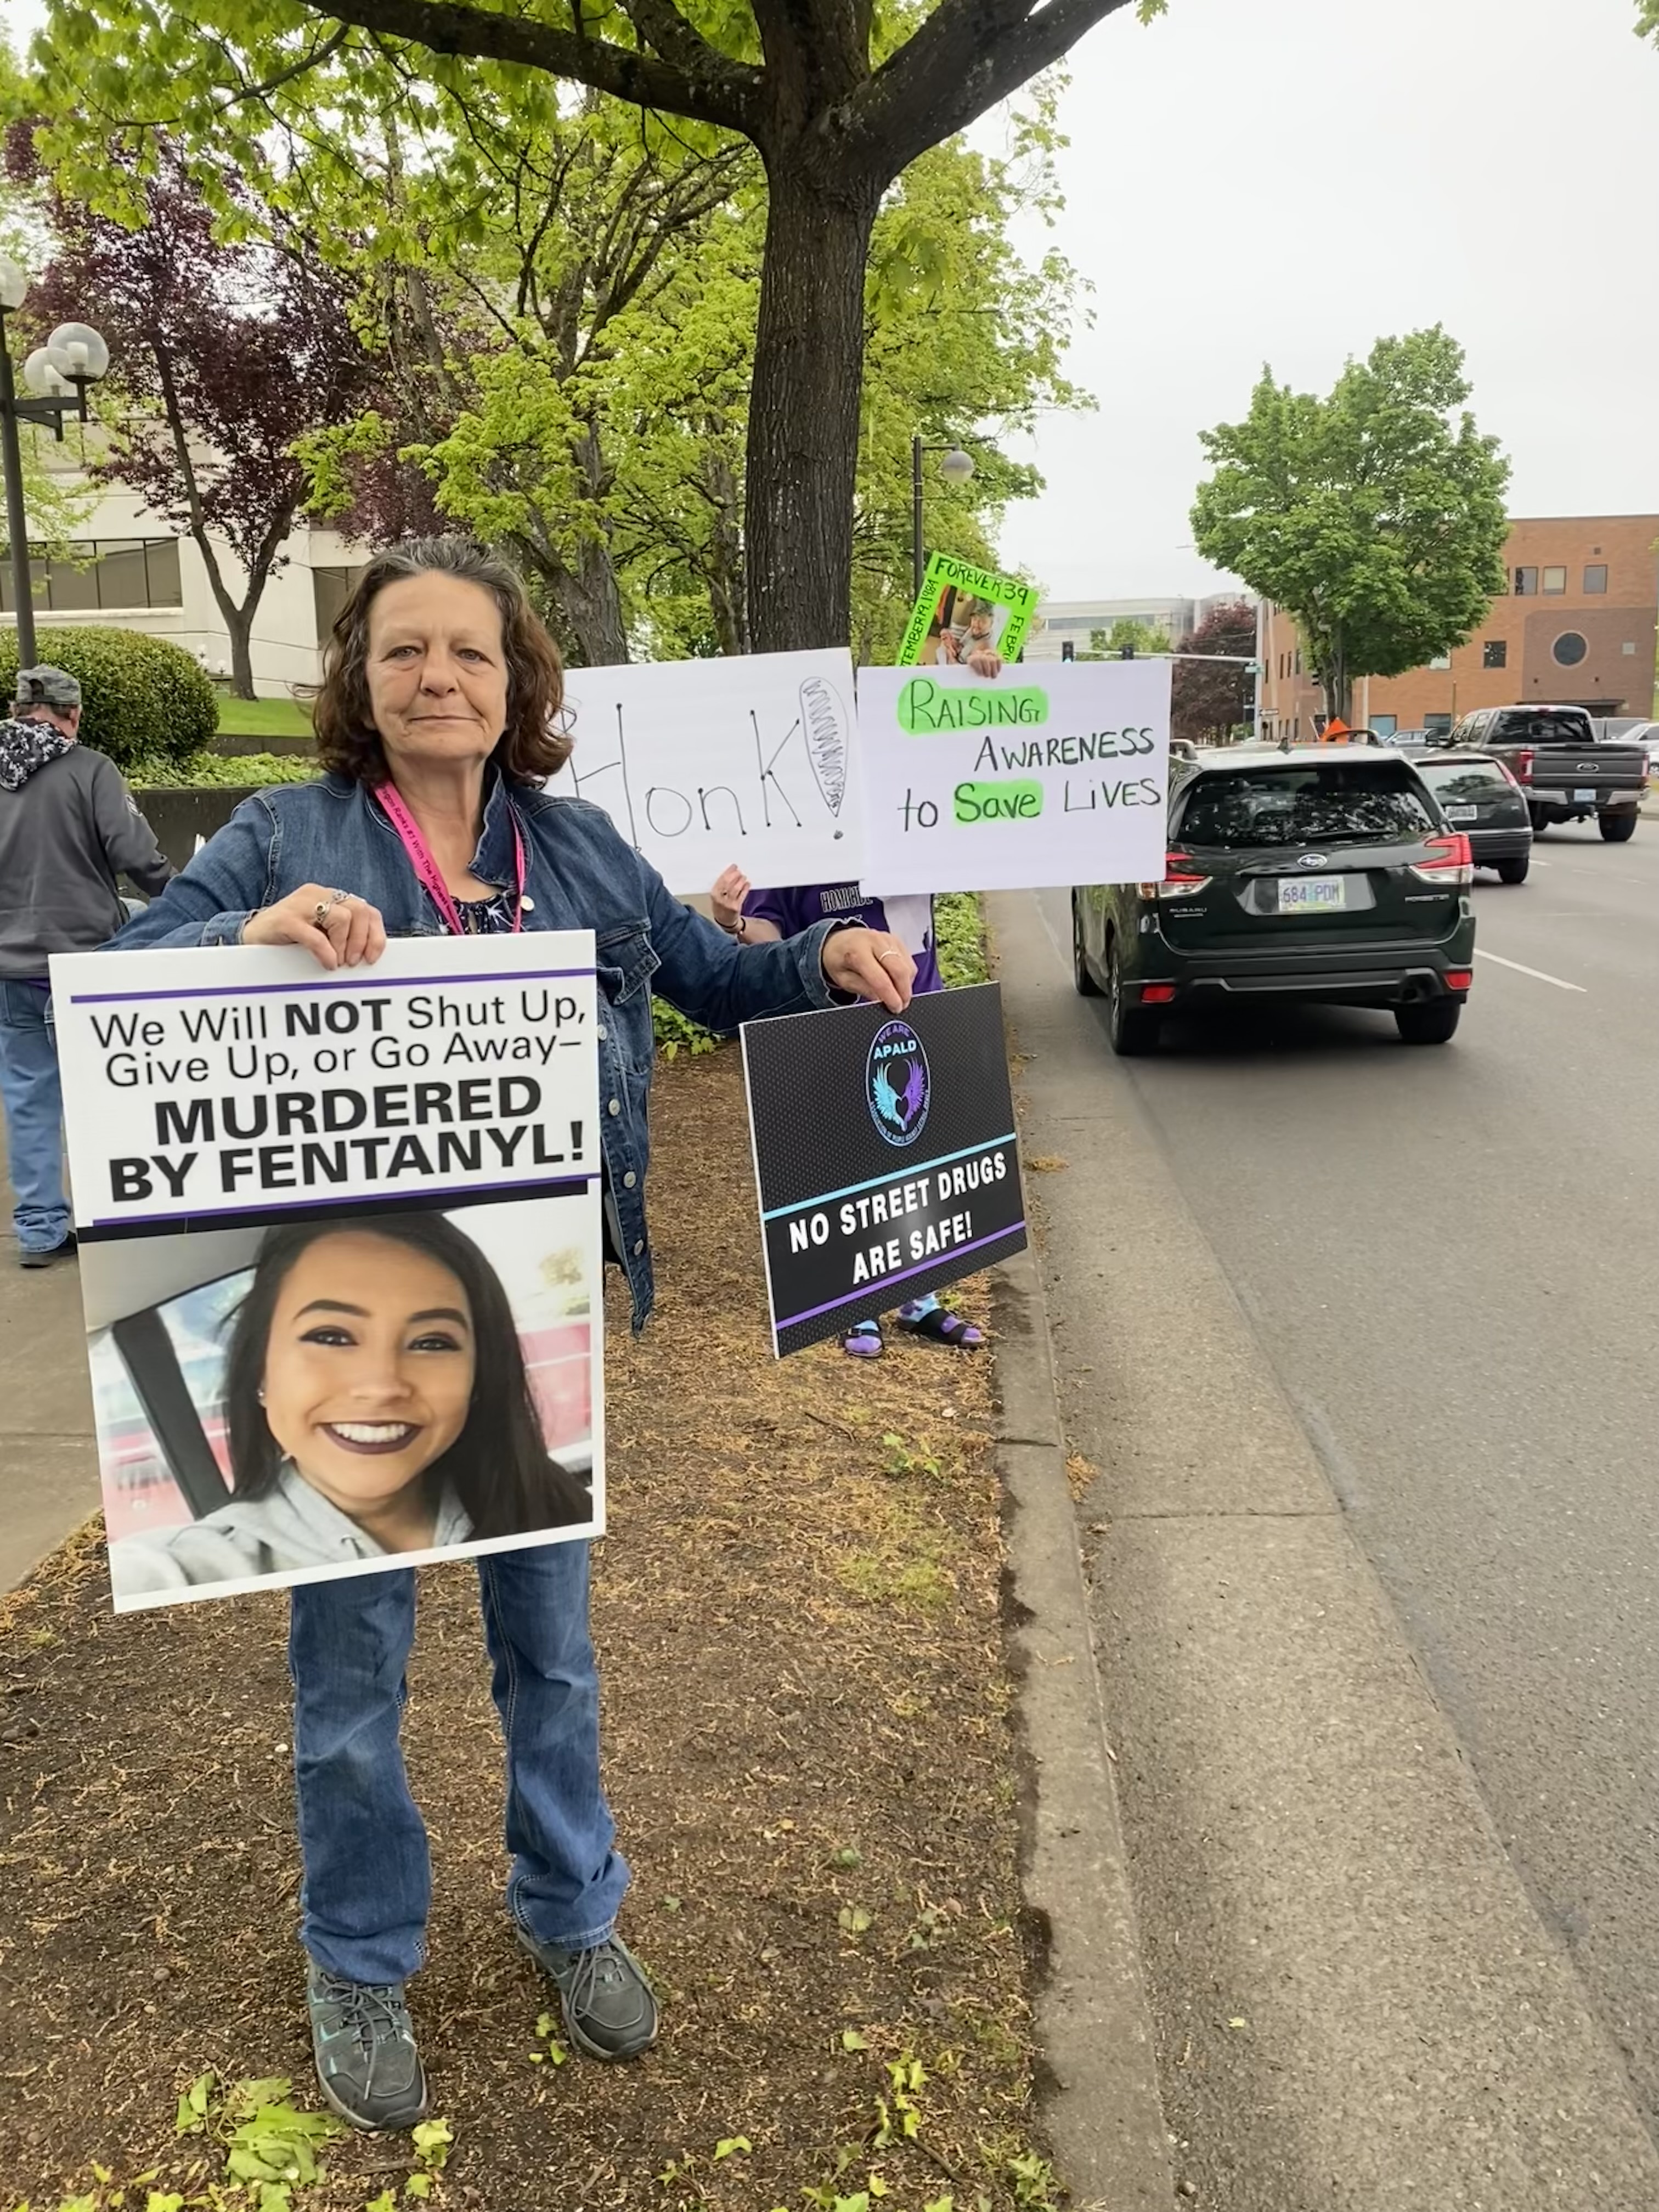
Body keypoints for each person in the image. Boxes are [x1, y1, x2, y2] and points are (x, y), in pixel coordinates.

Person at [106, 534, 916, 2134]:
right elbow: (126, 973)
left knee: (549, 1650)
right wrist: (257, 929)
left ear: (514, 682)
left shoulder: (583, 848)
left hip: (525, 1322)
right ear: (362, 678)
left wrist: (819, 957)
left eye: (467, 653)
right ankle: (356, 1956)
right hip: (340, 1336)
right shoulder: (287, 830)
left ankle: (573, 1915)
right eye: (403, 651)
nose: (437, 678)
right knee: (352, 1669)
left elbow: (709, 973)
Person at [108, 1214, 591, 1600]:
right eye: (331, 1336)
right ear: (260, 1372)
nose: (382, 1386)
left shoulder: (551, 1503)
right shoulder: (177, 1571)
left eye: (432, 1343)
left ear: (479, 1378)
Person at [709, 866, 983, 1359]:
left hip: (923, 1016)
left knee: (916, 1161)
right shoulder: (799, 843)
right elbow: (769, 933)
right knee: (851, 1165)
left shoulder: (911, 824)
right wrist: (733, 923)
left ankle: (919, 1299)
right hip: (836, 1030)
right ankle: (857, 1302)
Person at [0, 664, 173, 1266]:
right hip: (85, 958)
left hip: (10, 964)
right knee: (110, 1089)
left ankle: (41, 1231)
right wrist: (181, 895)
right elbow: (135, 854)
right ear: (72, 715)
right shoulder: (88, 768)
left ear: (19, 710)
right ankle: (120, 1216)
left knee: (28, 1097)